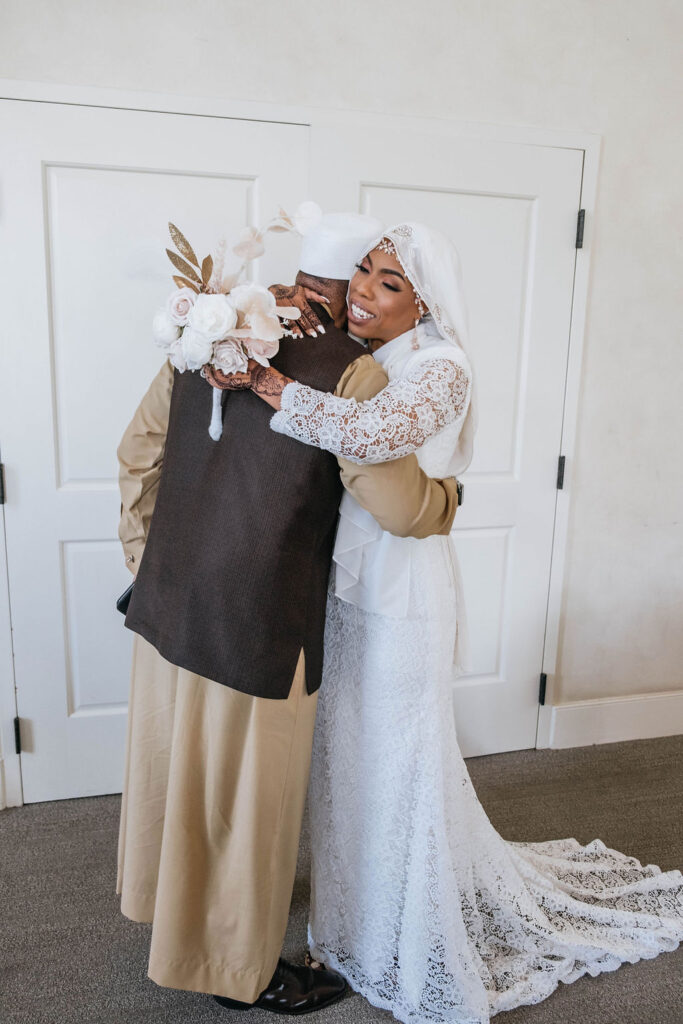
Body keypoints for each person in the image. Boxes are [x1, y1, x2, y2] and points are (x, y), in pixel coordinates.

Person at [225, 221, 683, 1024]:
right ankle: (358, 916)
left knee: (399, 763)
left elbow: (370, 436)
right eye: (363, 272)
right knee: (352, 759)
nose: (363, 291)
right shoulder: (366, 353)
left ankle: (409, 934)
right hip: (346, 586)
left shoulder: (442, 366)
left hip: (403, 593)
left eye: (388, 282)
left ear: (424, 301)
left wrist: (262, 383)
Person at [115, 212, 462, 1015]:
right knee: (247, 800)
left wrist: (149, 559)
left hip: (171, 597)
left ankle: (168, 912)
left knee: (176, 773)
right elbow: (397, 506)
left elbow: (137, 453)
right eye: (367, 279)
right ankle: (240, 971)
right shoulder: (352, 373)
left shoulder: (204, 335)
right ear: (347, 296)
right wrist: (446, 498)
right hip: (261, 615)